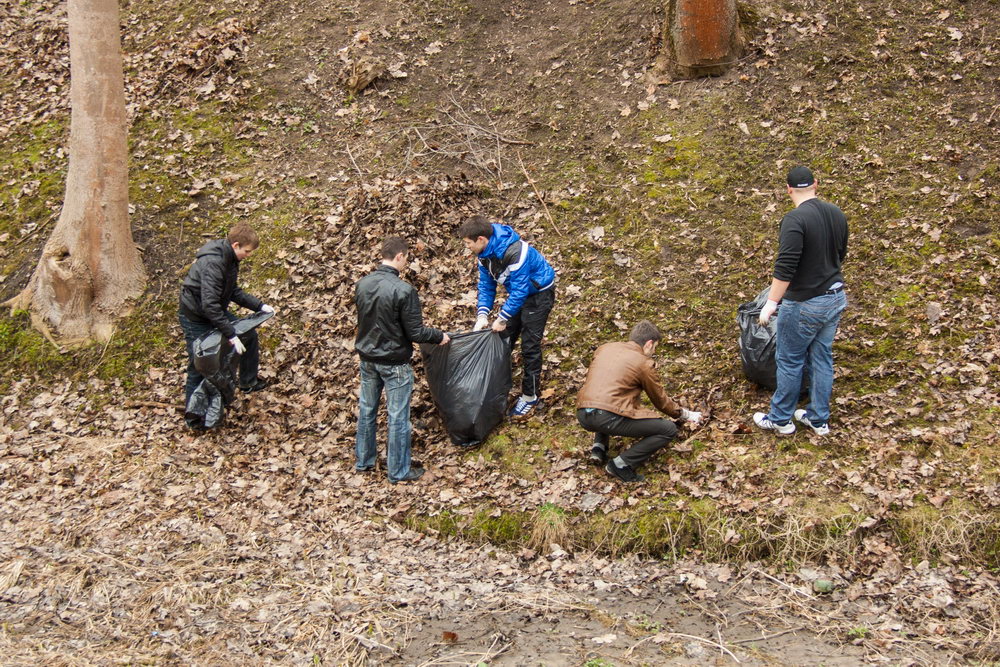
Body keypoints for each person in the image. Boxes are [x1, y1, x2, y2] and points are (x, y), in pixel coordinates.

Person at [753, 166, 849, 436]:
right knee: (822, 357)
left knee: (790, 359)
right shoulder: (837, 214)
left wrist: (771, 303)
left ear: (788, 190)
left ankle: (781, 418)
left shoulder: (795, 220)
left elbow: (786, 265)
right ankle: (819, 419)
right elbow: (840, 253)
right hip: (835, 297)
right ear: (816, 184)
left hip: (805, 303)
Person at [354, 237, 450, 483]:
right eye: (406, 257)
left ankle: (364, 461)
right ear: (399, 256)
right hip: (394, 363)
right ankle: (398, 470)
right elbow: (416, 333)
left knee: (367, 409)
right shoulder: (405, 290)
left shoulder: (362, 284)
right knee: (397, 416)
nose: (407, 262)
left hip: (367, 358)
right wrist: (439, 336)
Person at [576, 320, 702, 483]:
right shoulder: (643, 363)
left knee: (607, 399)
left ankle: (598, 448)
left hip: (582, 413)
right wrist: (685, 414)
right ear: (649, 344)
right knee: (668, 429)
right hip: (606, 418)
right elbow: (660, 401)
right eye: (655, 347)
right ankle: (620, 465)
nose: (653, 352)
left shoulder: (605, 348)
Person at [456, 215, 556, 418]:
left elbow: (520, 290)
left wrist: (502, 317)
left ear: (481, 239)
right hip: (519, 295)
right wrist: (482, 315)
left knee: (530, 346)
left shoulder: (514, 252)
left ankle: (530, 395)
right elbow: (486, 284)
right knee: (503, 339)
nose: (467, 247)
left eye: (468, 243)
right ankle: (496, 386)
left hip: (538, 294)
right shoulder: (484, 254)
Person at [178, 222, 274, 406]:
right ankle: (194, 417)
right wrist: (230, 333)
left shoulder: (230, 259)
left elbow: (233, 291)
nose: (248, 256)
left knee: (248, 335)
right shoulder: (214, 263)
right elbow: (209, 305)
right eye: (247, 251)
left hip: (214, 311)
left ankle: (248, 383)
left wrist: (260, 306)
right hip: (196, 316)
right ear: (235, 245)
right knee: (199, 363)